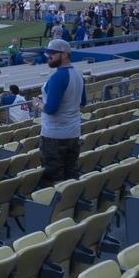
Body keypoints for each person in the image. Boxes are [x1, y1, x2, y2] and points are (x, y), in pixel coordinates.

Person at [36, 39, 85, 186]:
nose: (48, 56)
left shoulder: (58, 77)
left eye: (52, 53)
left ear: (64, 55)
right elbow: (82, 104)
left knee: (53, 180)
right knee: (71, 177)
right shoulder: (78, 74)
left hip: (54, 136)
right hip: (73, 133)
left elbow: (51, 109)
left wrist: (37, 104)